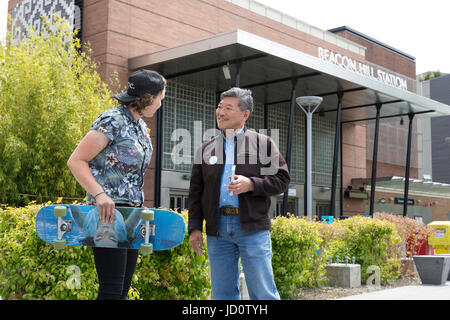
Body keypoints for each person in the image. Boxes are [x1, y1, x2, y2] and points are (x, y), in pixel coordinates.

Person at [67, 69, 166, 300]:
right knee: (111, 290)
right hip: (107, 214)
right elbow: (76, 161)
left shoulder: (140, 126)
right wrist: (100, 194)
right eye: (160, 97)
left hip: (130, 215)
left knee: (121, 291)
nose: (161, 103)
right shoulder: (112, 120)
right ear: (148, 97)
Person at [188, 87, 290, 300]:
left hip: (252, 228)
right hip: (217, 230)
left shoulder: (264, 144)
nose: (220, 112)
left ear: (245, 114)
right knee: (223, 294)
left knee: (263, 293)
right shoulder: (206, 148)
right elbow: (196, 192)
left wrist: (252, 184)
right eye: (219, 107)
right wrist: (195, 227)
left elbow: (282, 180)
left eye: (228, 108)